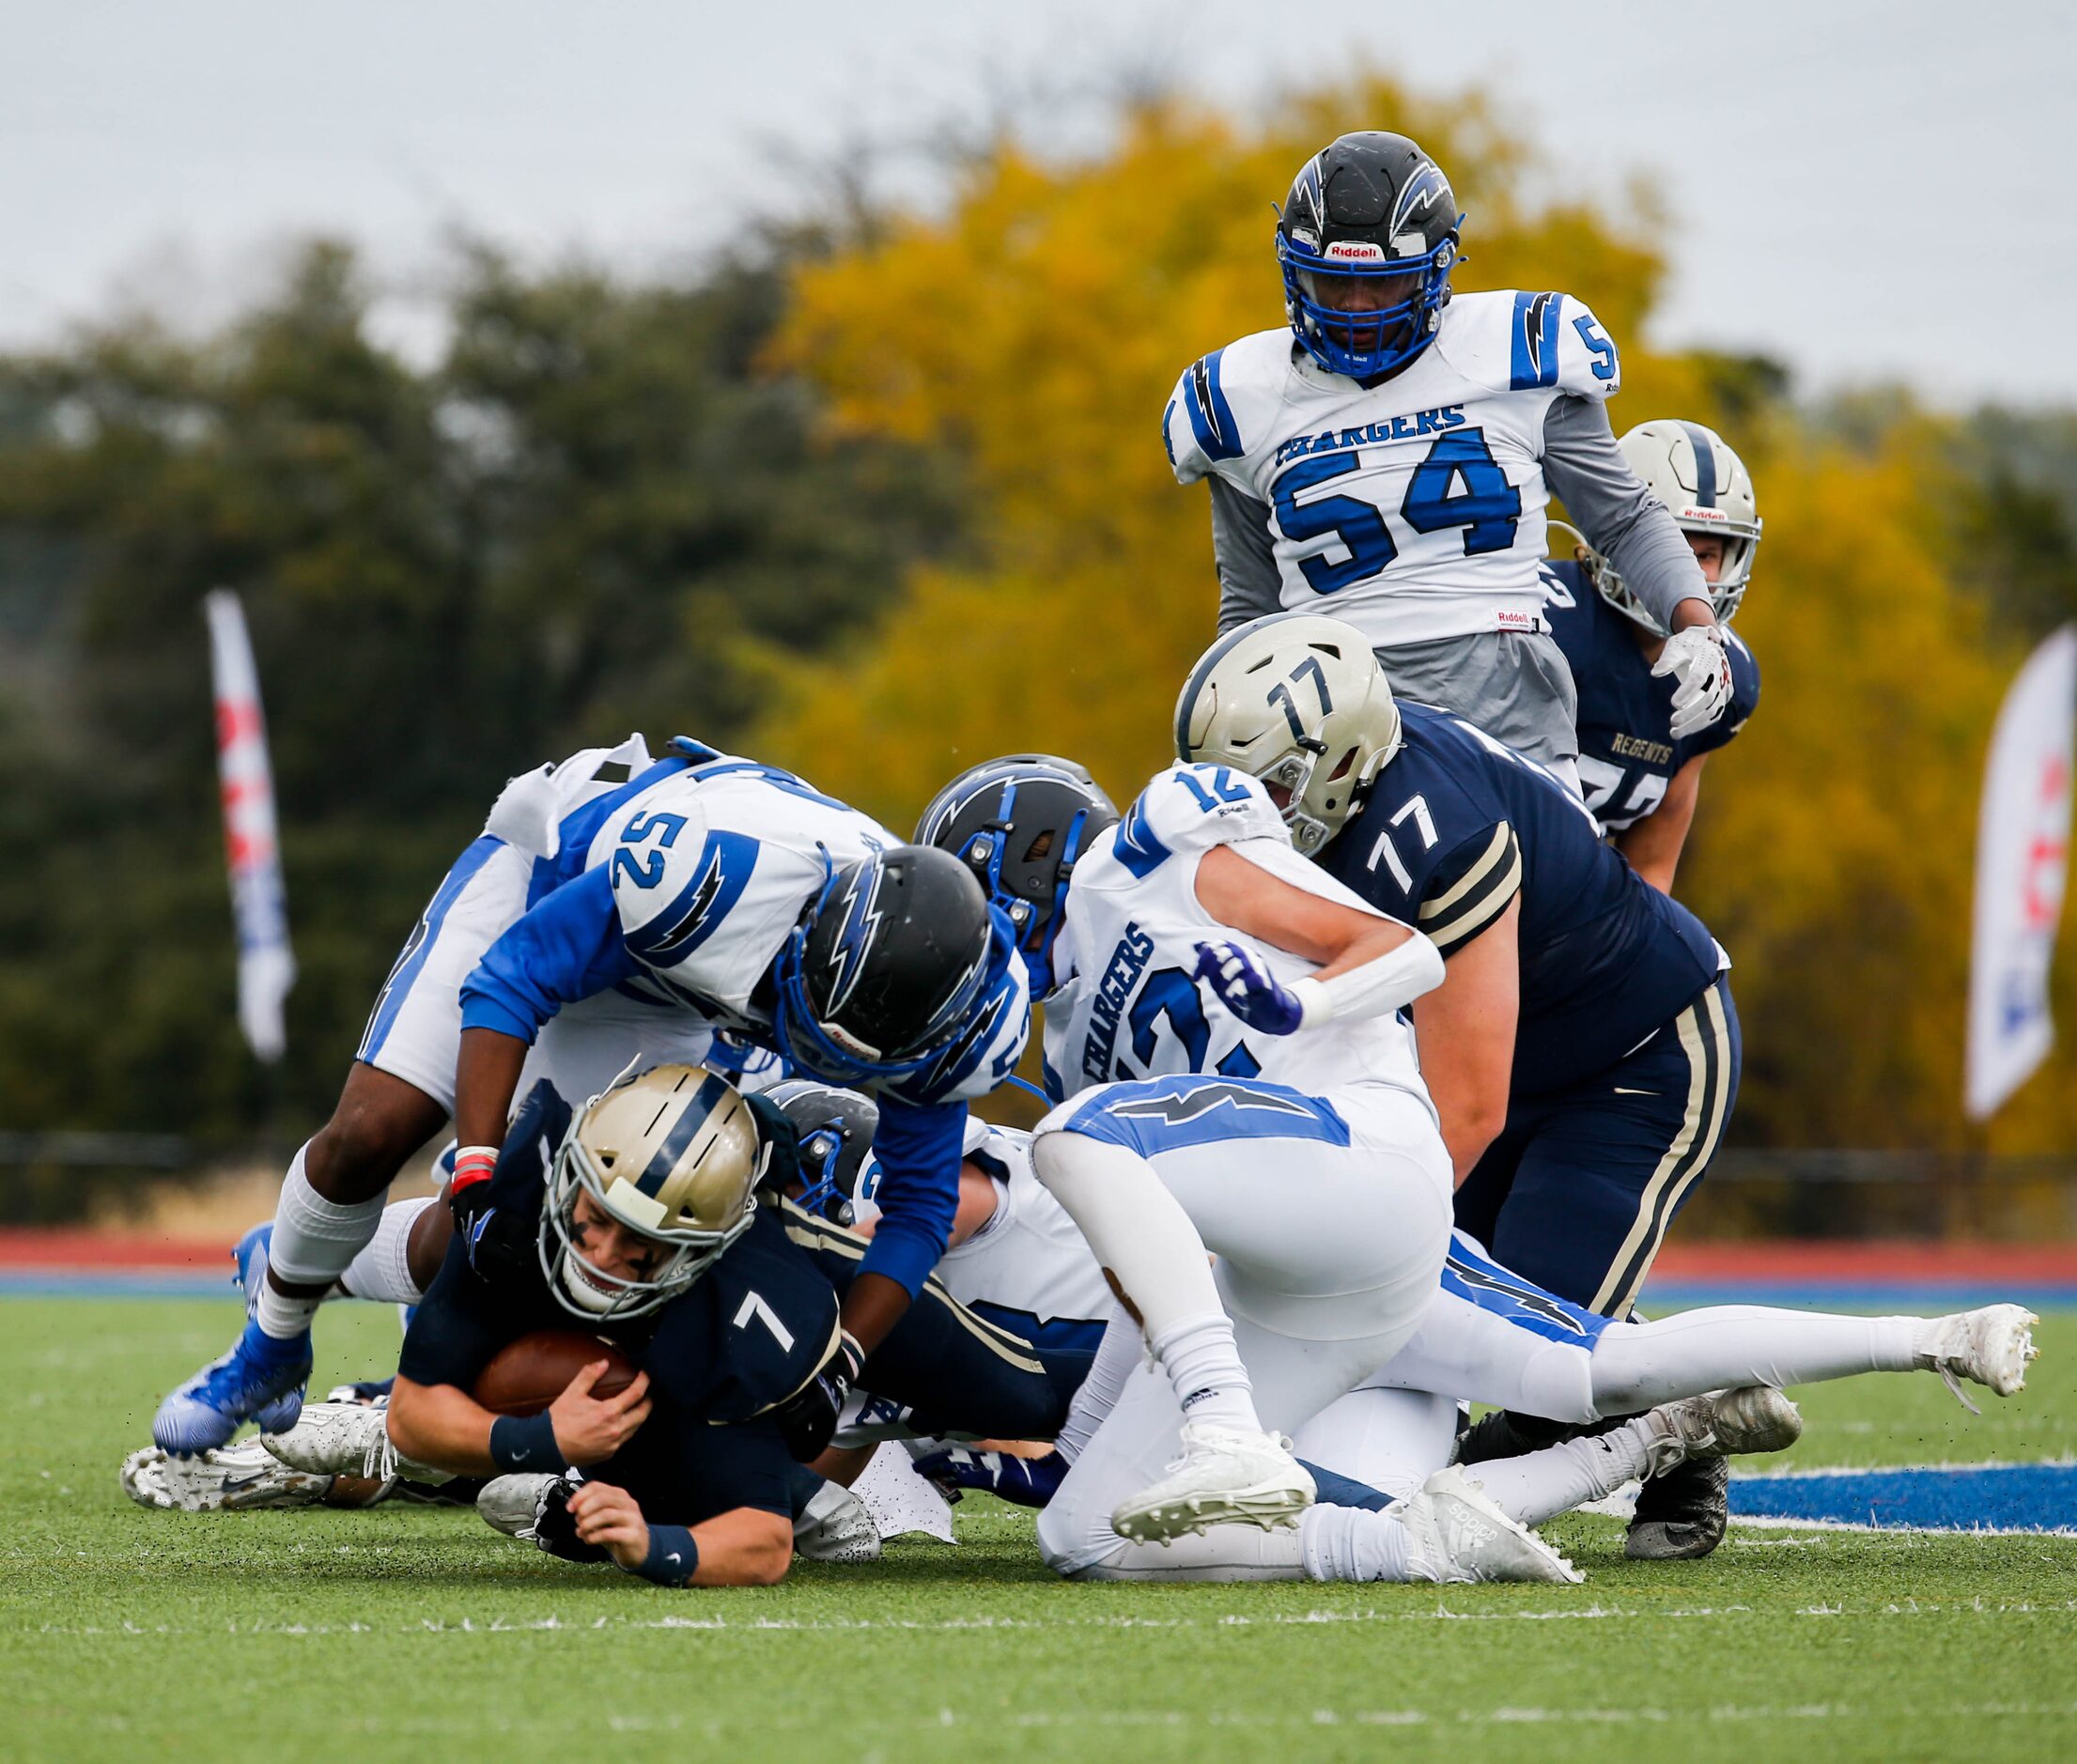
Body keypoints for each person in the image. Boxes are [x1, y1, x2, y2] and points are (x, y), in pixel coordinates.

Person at [155, 737, 1030, 1460]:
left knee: (562, 1227)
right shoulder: (717, 878)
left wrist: (839, 1362)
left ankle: (316, 1259)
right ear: (811, 933)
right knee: (373, 1134)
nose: (823, 1057)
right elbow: (511, 978)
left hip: (689, 997)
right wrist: (478, 1161)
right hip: (563, 883)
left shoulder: (957, 1025)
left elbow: (919, 1208)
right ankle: (269, 1342)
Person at [921, 752, 1587, 1584]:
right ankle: (1428, 1532)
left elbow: (1400, 955)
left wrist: (1298, 1005)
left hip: (1338, 1205)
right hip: (1241, 1291)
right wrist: (1083, 1438)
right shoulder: (1068, 1038)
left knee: (1593, 1372)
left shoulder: (1165, 847)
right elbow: (1165, 1252)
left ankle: (1640, 1441)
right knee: (1083, 1536)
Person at [1175, 611, 1750, 1559]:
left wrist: (1336, 1239)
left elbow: (1469, 1105)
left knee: (1533, 1378)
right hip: (1503, 1059)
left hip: (1633, 1060)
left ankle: (1678, 1428)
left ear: (1341, 754)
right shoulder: (1331, 799)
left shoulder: (1435, 830)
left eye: (1274, 785)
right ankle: (1620, 1345)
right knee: (1463, 1304)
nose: (1255, 811)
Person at [270, 1063, 1076, 1587]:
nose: (603, 1254)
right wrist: (543, 1441)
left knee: (1033, 1403)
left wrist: (653, 1547)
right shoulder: (518, 1207)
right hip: (662, 1346)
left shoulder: (749, 1309)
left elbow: (761, 1544)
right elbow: (419, 1414)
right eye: (593, 1217)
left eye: (643, 1246)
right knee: (518, 1371)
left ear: (704, 1249)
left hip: (824, 1287)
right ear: (569, 1179)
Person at [1166, 131, 1735, 792]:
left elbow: (1623, 518)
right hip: (1334, 718)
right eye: (1332, 282)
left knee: (1564, 890)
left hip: (1505, 701)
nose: (1355, 309)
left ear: (1436, 270)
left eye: (1381, 286)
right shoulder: (1244, 399)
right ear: (1294, 271)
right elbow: (1250, 609)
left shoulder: (1518, 354)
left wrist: (1694, 624)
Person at [1545, 419, 1763, 891]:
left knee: (1694, 963)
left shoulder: (1730, 674)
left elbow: (1651, 869)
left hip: (1577, 907)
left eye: (1704, 555)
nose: (1686, 573)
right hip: (1481, 885)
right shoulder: (1545, 620)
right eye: (1671, 546)